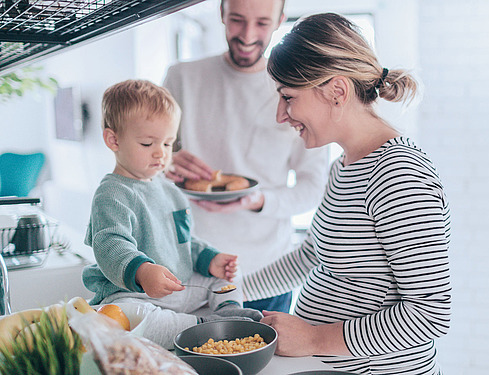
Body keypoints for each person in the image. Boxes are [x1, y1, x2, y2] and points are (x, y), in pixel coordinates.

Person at [243, 13, 452, 375]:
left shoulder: (398, 175)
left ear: (337, 92)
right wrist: (232, 294)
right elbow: (310, 255)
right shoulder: (344, 165)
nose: (281, 115)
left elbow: (429, 314)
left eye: (288, 97)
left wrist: (313, 339)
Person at [163, 0, 329, 314]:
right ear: (221, 14)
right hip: (189, 270)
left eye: (262, 23)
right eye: (237, 20)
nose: (248, 34)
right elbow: (145, 160)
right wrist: (164, 162)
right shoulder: (181, 77)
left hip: (266, 274)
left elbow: (312, 188)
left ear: (280, 20)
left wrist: (259, 201)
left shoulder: (298, 91)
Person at [82, 79, 262, 349]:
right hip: (134, 293)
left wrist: (210, 259)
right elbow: (110, 245)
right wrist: (142, 271)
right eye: (147, 143)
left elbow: (185, 240)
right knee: (132, 318)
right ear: (113, 139)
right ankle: (205, 329)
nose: (160, 153)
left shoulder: (171, 190)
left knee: (225, 276)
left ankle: (226, 312)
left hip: (179, 286)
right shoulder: (112, 194)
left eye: (168, 144)